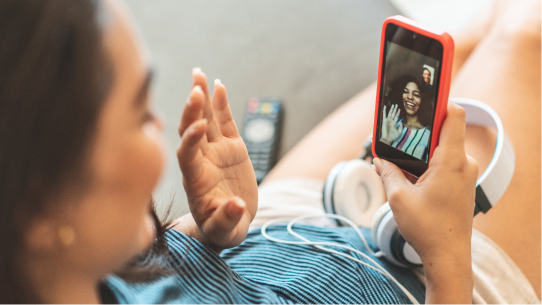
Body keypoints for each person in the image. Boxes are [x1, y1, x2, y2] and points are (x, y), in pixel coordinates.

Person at [0, 0, 539, 304]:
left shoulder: (43, 268)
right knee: (524, 35)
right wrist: (447, 254)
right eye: (141, 115)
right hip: (427, 286)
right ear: (41, 213)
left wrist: (208, 230)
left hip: (274, 242)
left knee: (451, 39)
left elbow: (136, 274)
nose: (161, 130)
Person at [380, 76, 432, 161]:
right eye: (405, 92)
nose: (410, 97)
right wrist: (386, 139)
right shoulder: (391, 123)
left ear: (422, 100)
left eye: (416, 94)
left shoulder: (428, 137)